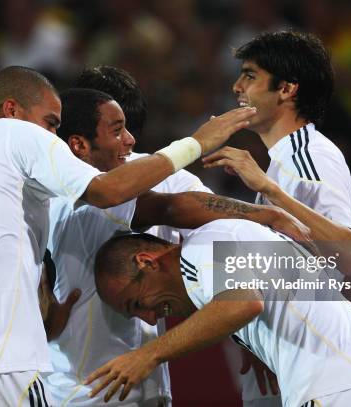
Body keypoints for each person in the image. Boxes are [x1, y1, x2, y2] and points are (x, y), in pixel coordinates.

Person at [0, 65, 256, 406]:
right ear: (78, 142)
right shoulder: (25, 148)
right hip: (7, 368)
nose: (51, 136)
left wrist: (252, 336)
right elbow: (111, 193)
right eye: (51, 124)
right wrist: (196, 143)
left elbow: (238, 252)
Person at [43, 87, 310, 406]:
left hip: (145, 388)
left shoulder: (48, 198)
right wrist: (265, 211)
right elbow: (169, 208)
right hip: (87, 395)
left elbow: (215, 230)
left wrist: (249, 332)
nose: (129, 139)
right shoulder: (78, 199)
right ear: (79, 144)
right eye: (117, 130)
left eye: (128, 126)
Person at [87, 220, 351, 407]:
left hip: (340, 392)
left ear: (147, 262)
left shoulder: (201, 249)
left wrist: (149, 355)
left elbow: (243, 303)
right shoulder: (233, 241)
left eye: (137, 304)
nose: (149, 318)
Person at [201, 31, 351, 405]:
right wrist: (250, 330)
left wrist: (268, 189)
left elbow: (349, 256)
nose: (236, 85)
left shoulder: (311, 154)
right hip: (280, 355)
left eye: (250, 75)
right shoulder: (281, 161)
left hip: (311, 362)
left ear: (287, 89)